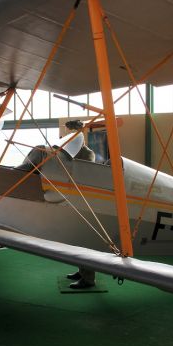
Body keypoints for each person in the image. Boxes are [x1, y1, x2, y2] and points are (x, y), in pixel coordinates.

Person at [64, 120, 97, 289]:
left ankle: (89, 278)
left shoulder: (87, 154)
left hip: (84, 201)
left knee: (84, 239)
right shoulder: (68, 152)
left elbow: (85, 176)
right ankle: (81, 271)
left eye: (71, 132)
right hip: (74, 199)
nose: (67, 136)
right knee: (76, 239)